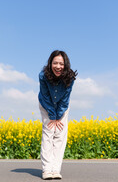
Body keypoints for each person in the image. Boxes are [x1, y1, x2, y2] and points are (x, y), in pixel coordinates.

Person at [38, 50, 78, 180]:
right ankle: (46, 170)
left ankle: (55, 170)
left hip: (62, 106)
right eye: (55, 63)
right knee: (49, 133)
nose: (58, 66)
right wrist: (52, 116)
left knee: (60, 135)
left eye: (61, 63)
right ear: (50, 64)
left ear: (65, 65)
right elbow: (45, 96)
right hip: (46, 105)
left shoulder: (70, 78)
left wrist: (58, 115)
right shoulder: (43, 76)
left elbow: (65, 99)